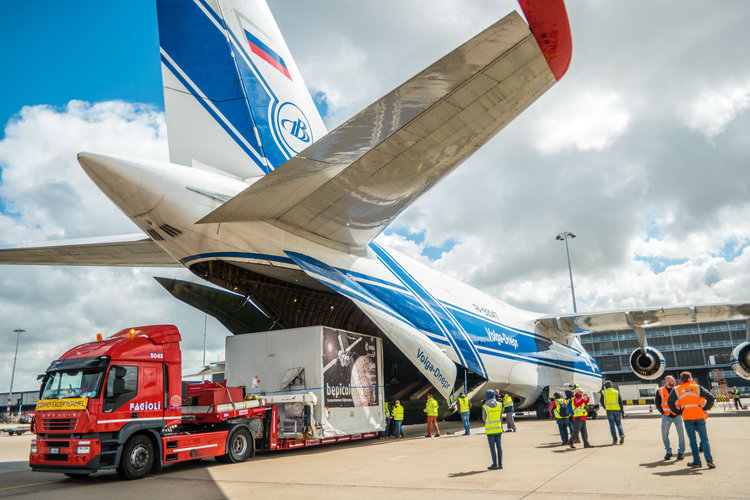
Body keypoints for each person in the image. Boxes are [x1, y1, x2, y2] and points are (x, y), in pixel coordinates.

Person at [668, 371, 715, 469]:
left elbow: (670, 401)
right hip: (699, 415)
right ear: (690, 378)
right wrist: (705, 408)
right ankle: (709, 460)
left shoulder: (677, 389)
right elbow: (711, 397)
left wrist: (677, 411)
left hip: (687, 417)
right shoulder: (697, 387)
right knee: (704, 439)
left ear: (681, 379)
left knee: (692, 440)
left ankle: (697, 461)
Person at [655, 375, 685, 460]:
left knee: (681, 434)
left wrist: (680, 412)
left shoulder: (678, 390)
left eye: (674, 381)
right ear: (667, 381)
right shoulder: (660, 390)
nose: (674, 382)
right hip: (666, 416)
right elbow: (657, 403)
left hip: (677, 415)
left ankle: (681, 452)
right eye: (672, 381)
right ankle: (668, 451)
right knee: (664, 434)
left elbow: (682, 401)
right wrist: (662, 412)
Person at [482, 389, 503, 469]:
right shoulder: (499, 405)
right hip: (498, 429)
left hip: (490, 430)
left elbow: (484, 418)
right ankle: (500, 464)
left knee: (492, 448)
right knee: (499, 447)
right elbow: (500, 416)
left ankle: (495, 464)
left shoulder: (485, 406)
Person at [599, 380, 625, 445]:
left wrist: (605, 407)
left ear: (605, 386)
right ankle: (621, 435)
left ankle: (615, 440)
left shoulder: (603, 392)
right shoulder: (616, 392)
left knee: (612, 425)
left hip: (609, 410)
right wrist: (622, 411)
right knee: (619, 424)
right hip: (617, 410)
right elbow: (620, 402)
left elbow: (601, 402)